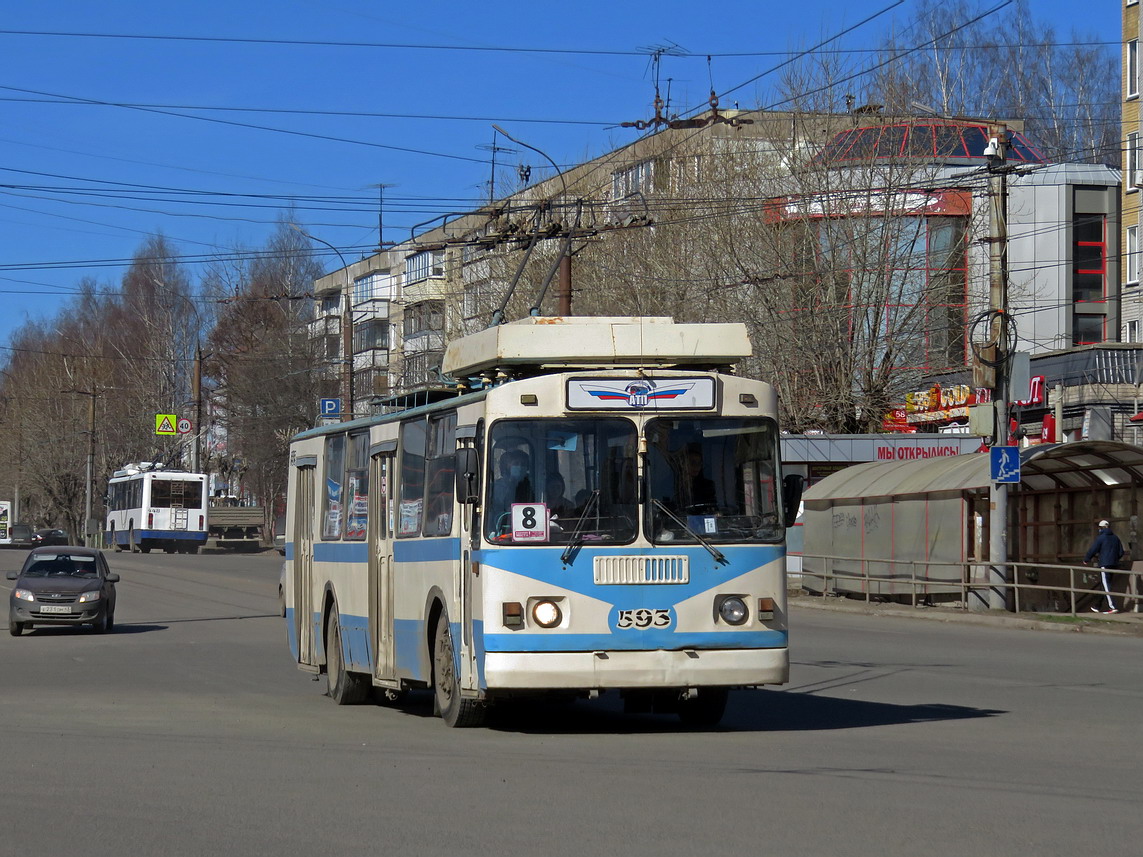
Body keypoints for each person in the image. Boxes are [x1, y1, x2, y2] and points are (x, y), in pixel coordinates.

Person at [1084, 519, 1125, 614]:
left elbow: (1093, 549)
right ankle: (1097, 605)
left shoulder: (1101, 538)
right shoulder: (1115, 538)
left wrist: (1086, 559)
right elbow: (1121, 552)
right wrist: (1114, 559)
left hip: (1104, 565)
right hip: (1114, 564)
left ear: (1100, 528)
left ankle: (1113, 606)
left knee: (1106, 586)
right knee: (1105, 585)